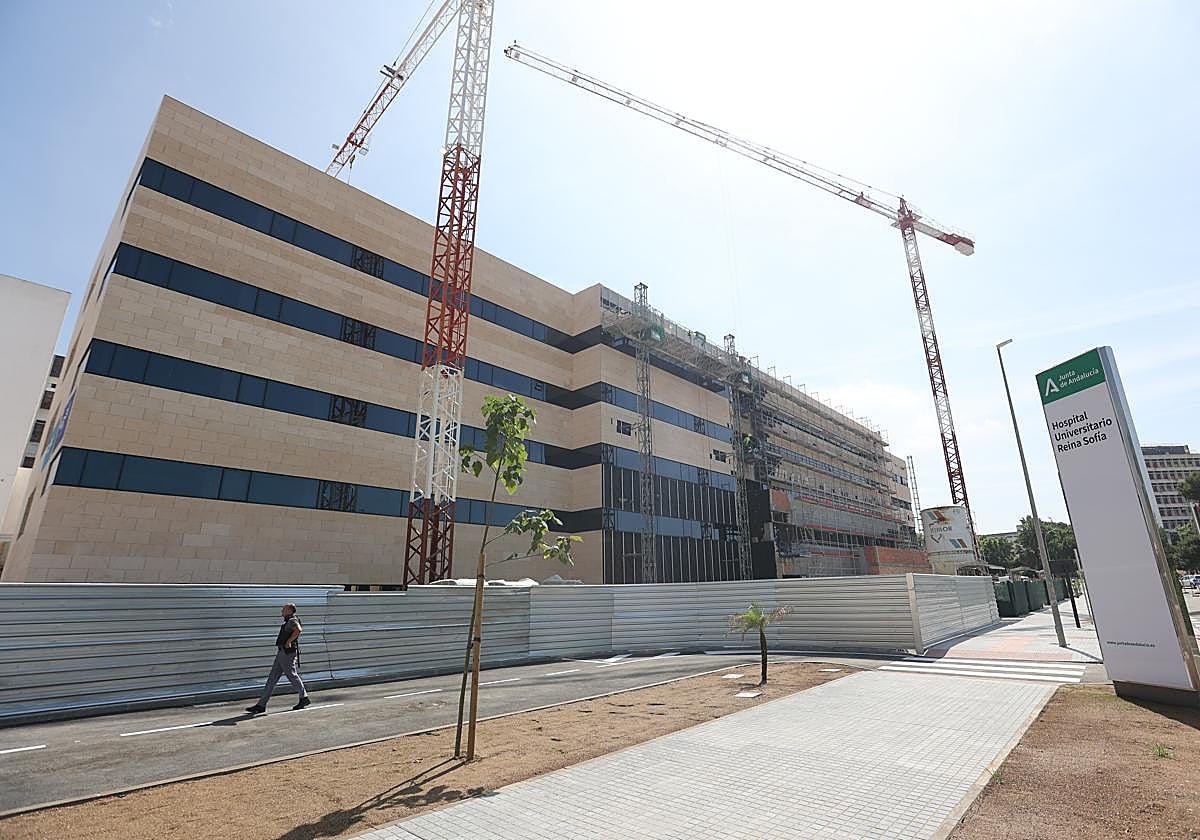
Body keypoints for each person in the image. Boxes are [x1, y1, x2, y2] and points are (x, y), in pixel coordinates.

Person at [246, 603, 310, 713]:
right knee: (272, 679)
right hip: (282, 653)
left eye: (284, 609)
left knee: (292, 676)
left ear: (290, 610)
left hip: (286, 653)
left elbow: (298, 630)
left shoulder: (292, 620)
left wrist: (289, 642)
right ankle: (261, 705)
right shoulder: (289, 621)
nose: (282, 610)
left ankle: (304, 697)